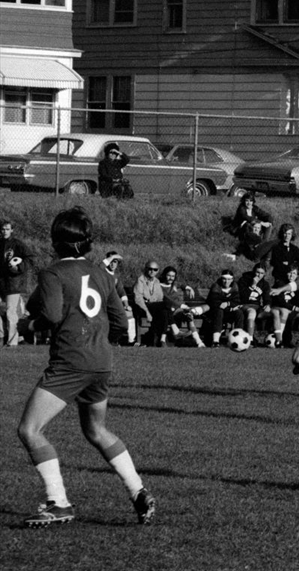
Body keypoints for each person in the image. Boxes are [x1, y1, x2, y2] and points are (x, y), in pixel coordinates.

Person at [16, 207, 155, 527]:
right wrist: (98, 339)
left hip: (70, 362)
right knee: (96, 430)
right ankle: (138, 491)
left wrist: (30, 325)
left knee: (29, 430)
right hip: (100, 361)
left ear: (55, 241)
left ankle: (58, 502)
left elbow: (49, 314)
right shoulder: (103, 273)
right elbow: (120, 321)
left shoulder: (52, 273)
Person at [1, 219, 35, 347]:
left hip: (13, 283)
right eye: (3, 229)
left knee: (11, 312)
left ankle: (13, 342)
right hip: (1, 282)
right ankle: (0, 337)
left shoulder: (17, 244)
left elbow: (30, 259)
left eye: (7, 229)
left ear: (12, 230)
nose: (5, 231)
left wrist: (18, 267)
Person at [160, 265, 204, 348]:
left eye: (173, 276)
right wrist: (181, 305)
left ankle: (199, 341)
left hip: (179, 309)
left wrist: (188, 287)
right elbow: (167, 299)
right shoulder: (159, 286)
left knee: (188, 315)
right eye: (168, 275)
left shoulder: (174, 284)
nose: (171, 278)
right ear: (164, 275)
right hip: (168, 310)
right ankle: (180, 336)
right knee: (180, 311)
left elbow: (180, 284)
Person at [224, 193, 273, 262]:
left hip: (254, 227)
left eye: (251, 201)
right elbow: (247, 218)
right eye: (247, 201)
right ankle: (255, 243)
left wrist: (269, 222)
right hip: (240, 228)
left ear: (253, 202)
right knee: (248, 224)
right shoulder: (241, 208)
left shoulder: (255, 208)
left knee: (269, 225)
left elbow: (267, 215)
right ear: (244, 201)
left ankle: (264, 242)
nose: (249, 203)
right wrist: (261, 222)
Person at [100, 251, 136, 346]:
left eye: (115, 261)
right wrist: (114, 256)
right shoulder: (101, 272)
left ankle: (131, 341)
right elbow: (100, 266)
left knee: (129, 313)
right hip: (103, 304)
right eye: (111, 260)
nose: (113, 263)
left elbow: (121, 292)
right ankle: (110, 341)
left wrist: (126, 305)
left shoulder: (116, 276)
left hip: (114, 305)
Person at [131, 260, 169, 347]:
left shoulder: (156, 281)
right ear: (146, 269)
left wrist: (150, 300)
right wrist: (147, 312)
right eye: (150, 269)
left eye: (155, 269)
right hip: (141, 307)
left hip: (153, 306)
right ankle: (161, 338)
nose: (152, 271)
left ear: (158, 271)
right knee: (164, 307)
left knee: (164, 311)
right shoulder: (140, 280)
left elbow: (160, 297)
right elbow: (138, 299)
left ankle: (158, 340)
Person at [204, 269, 240, 347]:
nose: (226, 281)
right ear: (221, 279)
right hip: (215, 312)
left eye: (228, 279)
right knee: (219, 311)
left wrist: (227, 303)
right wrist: (227, 306)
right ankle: (215, 341)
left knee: (239, 313)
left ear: (232, 279)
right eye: (224, 279)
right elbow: (213, 301)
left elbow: (237, 301)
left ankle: (238, 339)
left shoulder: (235, 287)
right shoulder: (216, 286)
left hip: (229, 312)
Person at [235, 263, 272, 339]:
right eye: (257, 272)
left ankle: (271, 337)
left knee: (273, 313)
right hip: (244, 304)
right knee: (252, 312)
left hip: (256, 306)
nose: (259, 275)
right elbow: (242, 296)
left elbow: (267, 297)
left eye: (262, 273)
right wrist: (252, 285)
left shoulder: (265, 284)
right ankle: (250, 338)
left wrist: (267, 305)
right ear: (254, 272)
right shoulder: (244, 280)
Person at [270, 265, 299, 346]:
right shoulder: (280, 284)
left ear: (297, 275)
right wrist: (293, 307)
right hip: (277, 307)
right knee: (283, 311)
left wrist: (295, 308)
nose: (291, 275)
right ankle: (279, 339)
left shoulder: (298, 286)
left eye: (294, 273)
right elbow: (280, 301)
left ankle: (283, 340)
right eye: (289, 273)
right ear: (286, 274)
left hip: (291, 310)